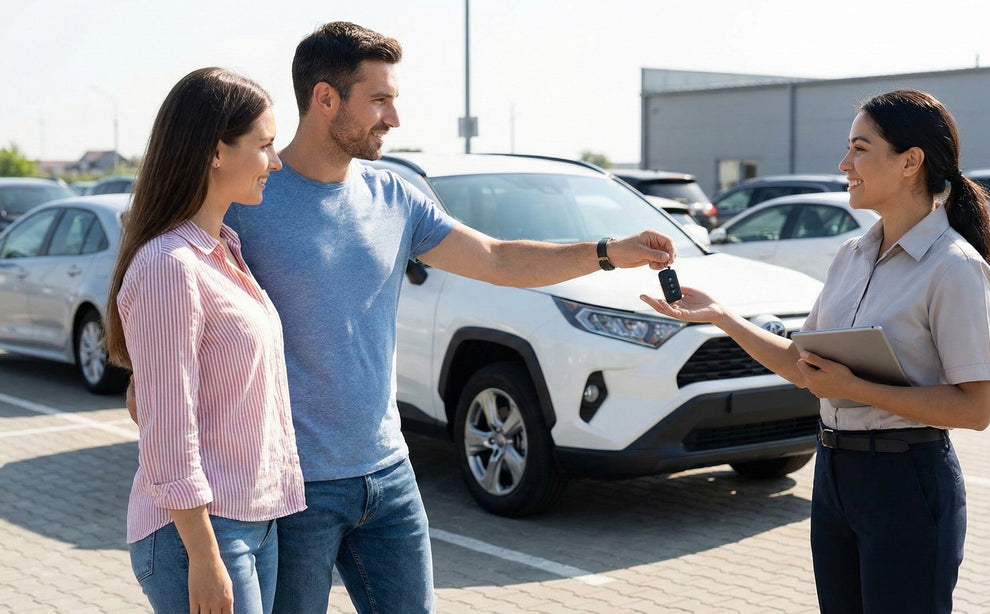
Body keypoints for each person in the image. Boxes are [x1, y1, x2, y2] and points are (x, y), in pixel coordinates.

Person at [217, 22, 675, 614]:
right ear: (325, 98)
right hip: (290, 487)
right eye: (379, 100)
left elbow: (496, 258)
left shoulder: (395, 196)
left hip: (388, 476)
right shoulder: (249, 198)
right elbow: (173, 287)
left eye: (394, 101)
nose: (393, 119)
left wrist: (608, 252)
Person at [642, 89, 990, 614]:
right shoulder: (851, 254)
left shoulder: (955, 268)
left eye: (860, 148)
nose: (844, 164)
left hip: (908, 483)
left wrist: (853, 389)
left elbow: (976, 409)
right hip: (836, 475)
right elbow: (802, 365)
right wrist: (722, 316)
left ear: (910, 161)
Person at [107, 67, 305, 614]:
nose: (277, 161)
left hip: (253, 524)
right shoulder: (171, 266)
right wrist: (204, 554)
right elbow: (169, 427)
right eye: (264, 145)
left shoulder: (224, 252)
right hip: (199, 535)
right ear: (216, 151)